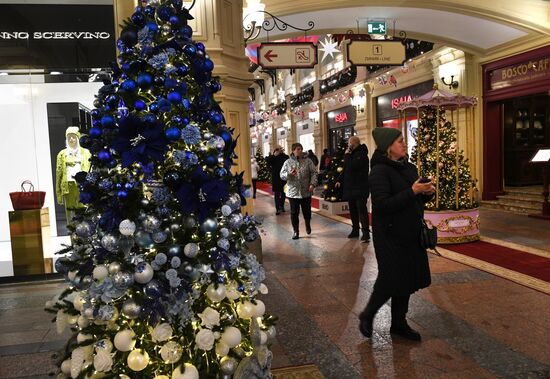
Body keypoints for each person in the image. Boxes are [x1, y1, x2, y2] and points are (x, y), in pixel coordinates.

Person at [358, 127, 435, 341]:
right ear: (388, 146)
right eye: (400, 141)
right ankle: (368, 314)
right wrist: (412, 191)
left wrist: (426, 192)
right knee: (390, 279)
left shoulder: (408, 166)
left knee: (407, 280)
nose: (405, 143)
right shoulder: (379, 171)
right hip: (390, 236)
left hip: (410, 233)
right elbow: (382, 205)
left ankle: (399, 324)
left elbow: (415, 197)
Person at [335, 136, 370, 242]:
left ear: (354, 143)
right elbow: (346, 169)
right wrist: (339, 180)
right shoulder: (351, 154)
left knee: (361, 211)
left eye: (349, 143)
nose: (348, 146)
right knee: (353, 210)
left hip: (360, 187)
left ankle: (365, 233)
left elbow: (352, 166)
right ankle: (355, 230)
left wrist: (346, 155)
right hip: (350, 188)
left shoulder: (362, 154)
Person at [280, 143, 318, 240]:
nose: (299, 151)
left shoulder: (308, 161)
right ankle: (296, 231)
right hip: (293, 192)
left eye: (300, 149)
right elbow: (282, 175)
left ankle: (307, 224)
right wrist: (289, 174)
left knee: (307, 211)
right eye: (297, 149)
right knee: (294, 213)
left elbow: (314, 173)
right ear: (293, 150)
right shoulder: (287, 162)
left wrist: (312, 184)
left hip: (306, 191)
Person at [56, 126, 91, 224]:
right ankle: (72, 237)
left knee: (83, 209)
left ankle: (84, 234)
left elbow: (89, 171)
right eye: (69, 137)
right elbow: (59, 175)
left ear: (78, 138)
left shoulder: (86, 153)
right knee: (70, 212)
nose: (71, 139)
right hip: (68, 186)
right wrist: (58, 194)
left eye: (74, 136)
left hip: (81, 186)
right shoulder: (62, 154)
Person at [266, 146, 289, 215]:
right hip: (276, 178)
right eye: (278, 149)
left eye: (281, 149)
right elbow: (267, 163)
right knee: (276, 194)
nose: (280, 150)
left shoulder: (286, 157)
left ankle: (281, 206)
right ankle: (277, 208)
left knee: (283, 193)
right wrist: (274, 155)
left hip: (284, 179)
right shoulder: (273, 157)